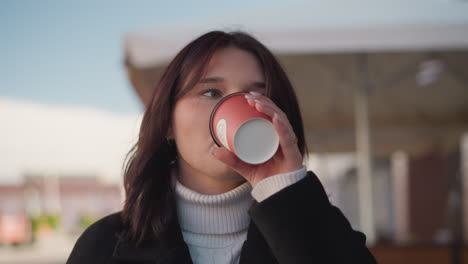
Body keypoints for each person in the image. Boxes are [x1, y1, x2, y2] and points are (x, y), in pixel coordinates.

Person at [66, 30, 377, 264]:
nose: (240, 106)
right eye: (212, 92)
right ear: (167, 123)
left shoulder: (313, 226)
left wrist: (283, 186)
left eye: (258, 95)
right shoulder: (105, 245)